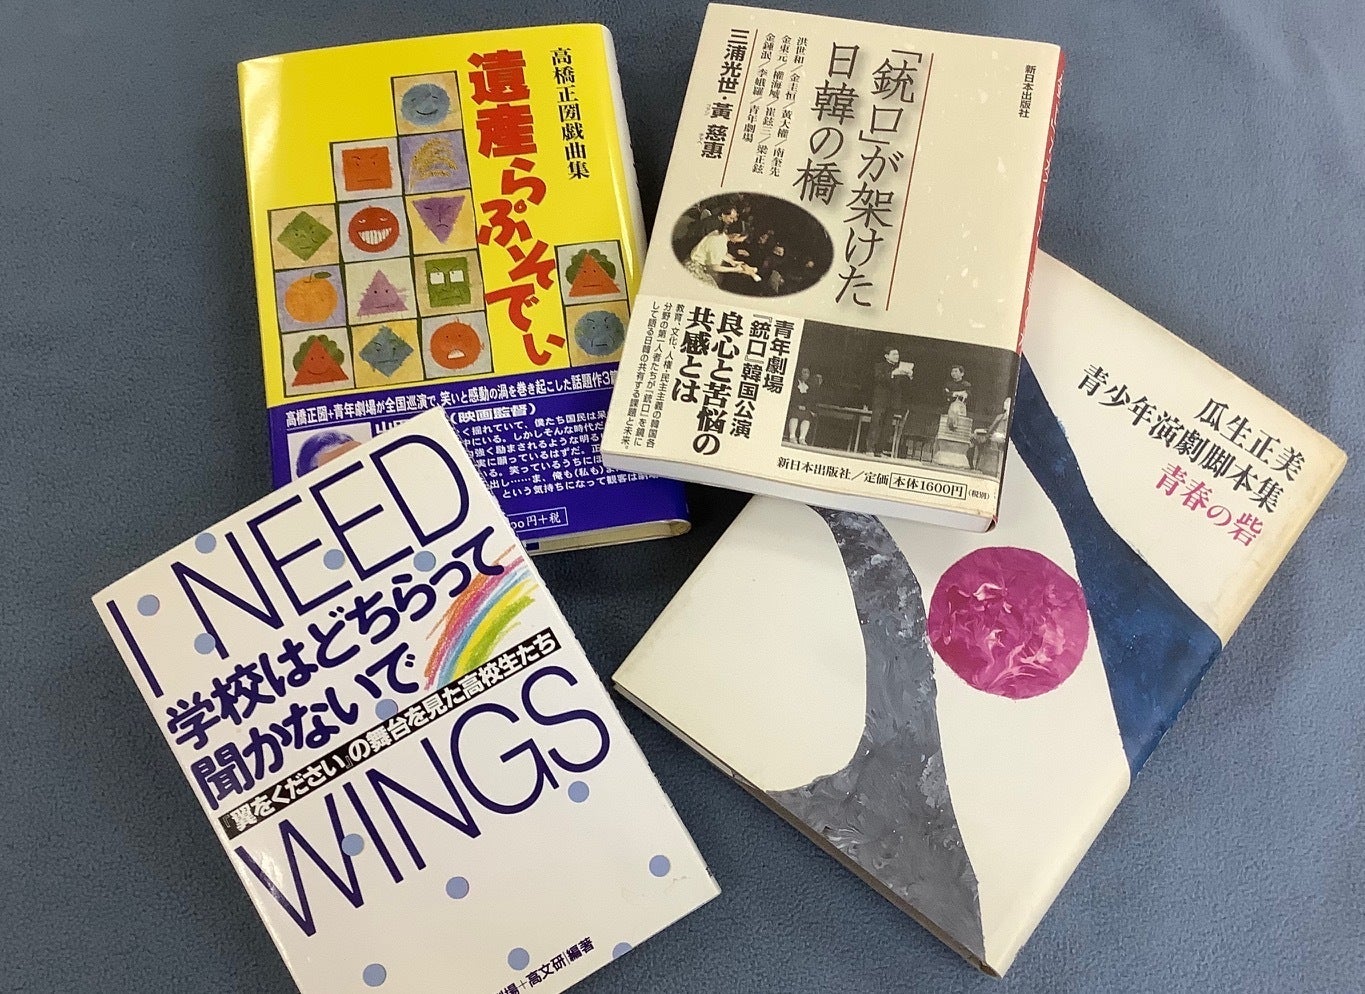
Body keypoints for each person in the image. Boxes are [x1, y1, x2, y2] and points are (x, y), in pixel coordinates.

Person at [867, 347, 913, 457]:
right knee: (876, 424)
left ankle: (879, 451)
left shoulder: (900, 368)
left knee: (887, 427)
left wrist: (909, 376)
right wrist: (892, 374)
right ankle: (870, 449)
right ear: (886, 356)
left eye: (898, 354)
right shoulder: (880, 366)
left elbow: (905, 387)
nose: (897, 356)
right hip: (880, 400)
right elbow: (878, 378)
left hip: (893, 401)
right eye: (894, 354)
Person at [685, 225, 759, 287]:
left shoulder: (718, 234)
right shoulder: (720, 244)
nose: (742, 241)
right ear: (736, 235)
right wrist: (735, 269)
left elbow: (715, 252)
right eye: (743, 239)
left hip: (693, 262)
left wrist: (731, 261)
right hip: (694, 268)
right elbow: (715, 267)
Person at [787, 366, 818, 444]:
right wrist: (797, 406)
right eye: (804, 372)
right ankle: (792, 436)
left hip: (804, 408)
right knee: (795, 414)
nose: (806, 375)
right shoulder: (794, 384)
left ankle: (802, 438)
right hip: (794, 406)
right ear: (800, 373)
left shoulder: (809, 386)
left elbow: (810, 400)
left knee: (807, 416)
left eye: (808, 373)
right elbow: (792, 397)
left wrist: (806, 407)